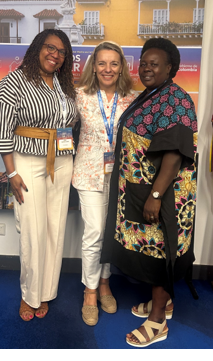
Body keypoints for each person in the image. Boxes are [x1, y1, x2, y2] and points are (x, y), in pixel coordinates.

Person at [100, 38, 198, 347]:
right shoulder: (153, 94)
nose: (146, 68)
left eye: (154, 64)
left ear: (171, 68)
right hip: (143, 189)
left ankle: (157, 322)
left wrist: (156, 196)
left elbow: (173, 154)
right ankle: (164, 303)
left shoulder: (176, 100)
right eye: (143, 63)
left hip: (165, 194)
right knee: (152, 249)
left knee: (161, 252)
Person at [0, 29, 79, 322]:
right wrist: (11, 171)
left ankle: (46, 291)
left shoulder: (64, 86)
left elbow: (70, 123)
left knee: (55, 228)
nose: (55, 55)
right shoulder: (13, 82)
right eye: (50, 48)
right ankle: (29, 294)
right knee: (32, 228)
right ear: (37, 48)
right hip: (27, 160)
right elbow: (2, 131)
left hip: (62, 159)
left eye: (62, 52)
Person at [72, 41, 138, 326]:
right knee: (95, 231)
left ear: (122, 66)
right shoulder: (78, 96)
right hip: (88, 171)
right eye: (102, 63)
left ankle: (104, 284)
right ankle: (89, 292)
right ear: (93, 66)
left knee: (111, 231)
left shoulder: (132, 98)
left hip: (121, 174)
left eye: (114, 63)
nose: (108, 69)